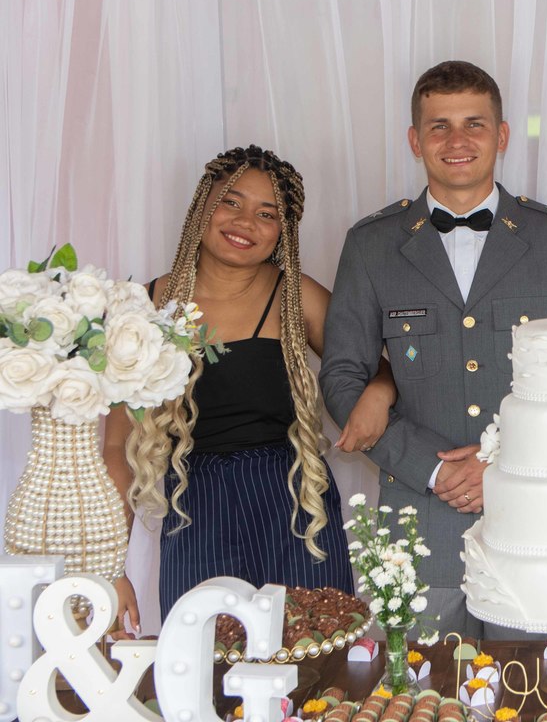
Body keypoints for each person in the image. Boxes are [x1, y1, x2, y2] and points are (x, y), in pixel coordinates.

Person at [320, 60, 547, 636]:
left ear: (502, 135)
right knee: (420, 682)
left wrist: (503, 461)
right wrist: (432, 470)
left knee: (532, 684)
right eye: (439, 126)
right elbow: (343, 376)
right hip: (418, 528)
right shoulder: (371, 244)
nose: (457, 141)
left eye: (474, 123)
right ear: (414, 140)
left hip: (532, 520)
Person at [103, 145, 395, 634]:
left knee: (314, 660)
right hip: (193, 510)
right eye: (231, 202)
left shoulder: (296, 295)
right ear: (202, 206)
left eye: (267, 214)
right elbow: (116, 447)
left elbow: (379, 370)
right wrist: (111, 566)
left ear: (284, 232)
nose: (245, 223)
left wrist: (379, 395)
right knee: (204, 663)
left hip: (295, 506)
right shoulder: (145, 306)